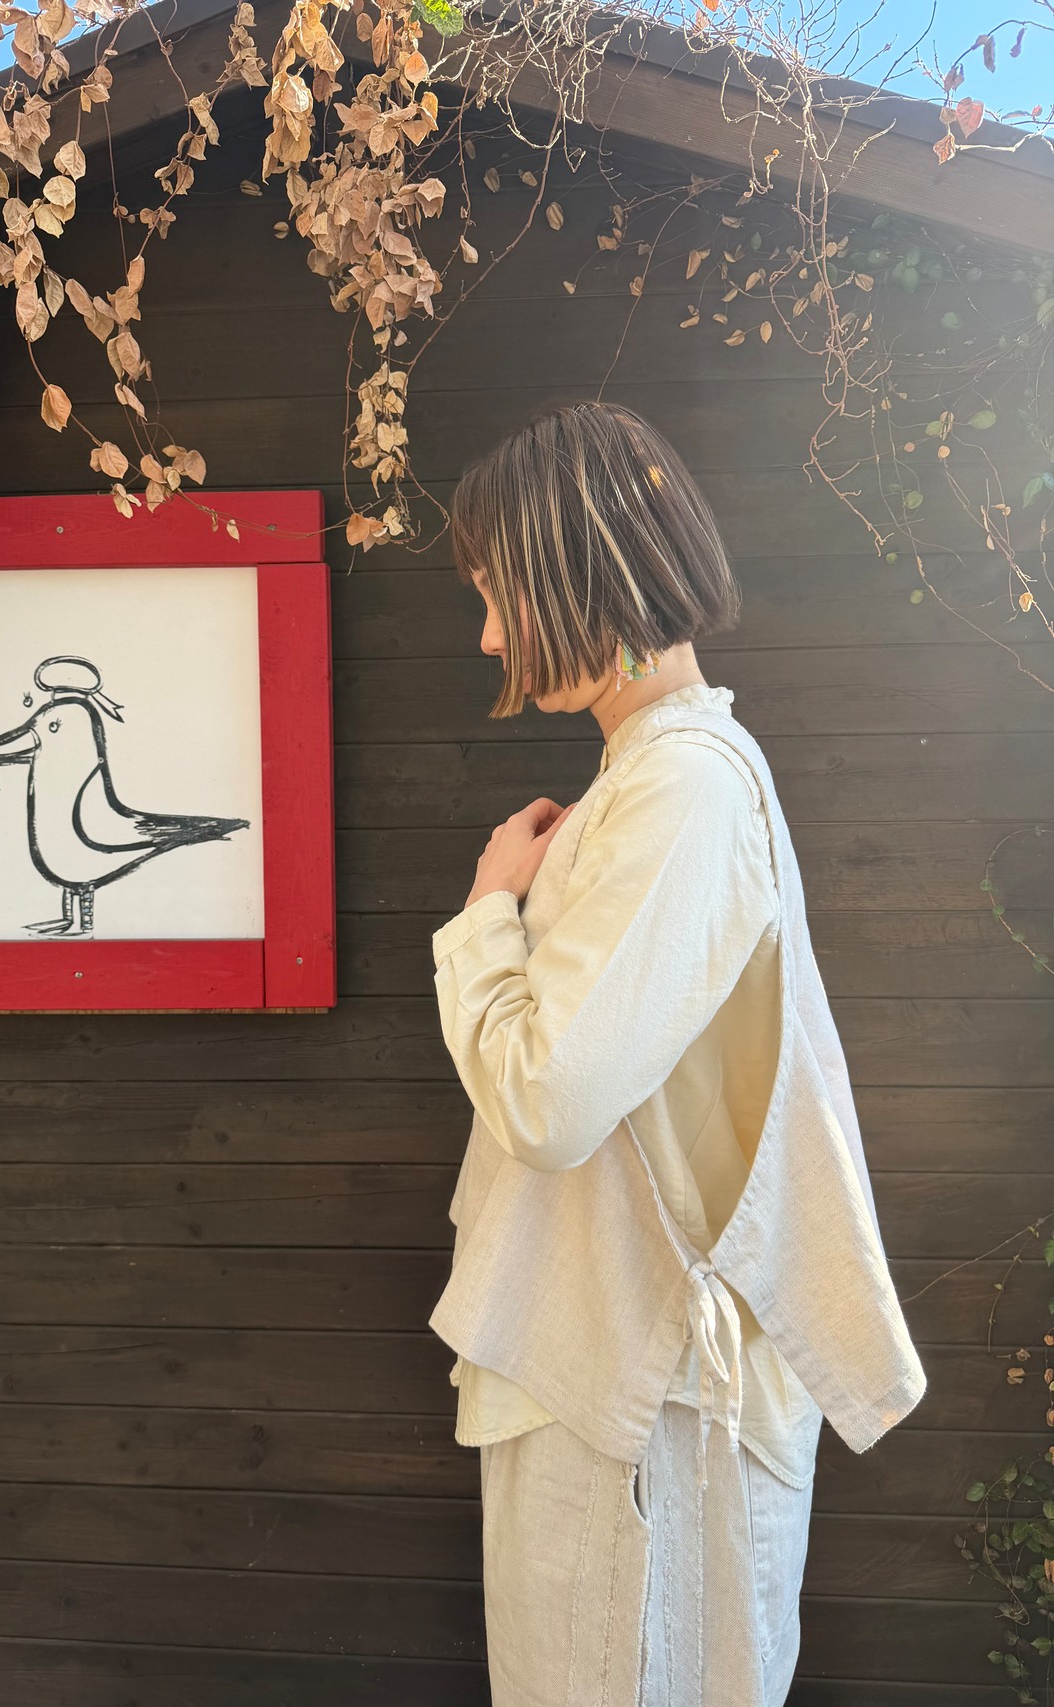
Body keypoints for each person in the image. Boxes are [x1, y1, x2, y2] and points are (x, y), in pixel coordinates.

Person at [427, 400, 926, 1706]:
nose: (489, 637)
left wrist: (486, 915)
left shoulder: (683, 787)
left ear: (576, 572)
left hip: (647, 1395)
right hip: (627, 1382)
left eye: (498, 595)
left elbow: (549, 1101)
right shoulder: (656, 778)